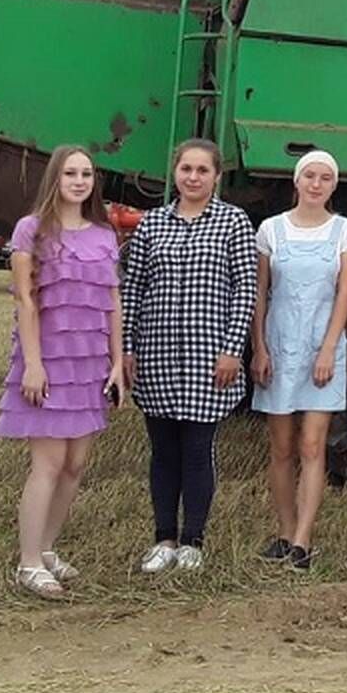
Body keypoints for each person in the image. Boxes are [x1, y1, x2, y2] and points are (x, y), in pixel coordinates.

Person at [0, 145, 125, 598]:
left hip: (89, 363)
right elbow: (25, 300)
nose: (79, 180)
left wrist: (118, 362)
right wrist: (33, 364)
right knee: (47, 464)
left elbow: (112, 303)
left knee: (76, 464)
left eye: (86, 173)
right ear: (56, 178)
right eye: (70, 173)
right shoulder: (31, 230)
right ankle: (28, 563)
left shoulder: (105, 235)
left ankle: (47, 548)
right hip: (48, 361)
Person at [121, 138, 257, 573]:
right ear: (175, 173)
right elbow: (134, 288)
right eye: (186, 169)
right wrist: (128, 347)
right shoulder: (152, 224)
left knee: (198, 450)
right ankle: (163, 537)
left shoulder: (234, 222)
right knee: (162, 451)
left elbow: (245, 290)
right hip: (158, 353)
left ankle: (193, 540)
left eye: (203, 170)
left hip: (209, 356)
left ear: (217, 176)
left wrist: (233, 349)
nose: (193, 177)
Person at [249, 149, 347, 572]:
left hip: (321, 348)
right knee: (281, 448)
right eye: (309, 176)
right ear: (296, 182)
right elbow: (261, 294)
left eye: (325, 178)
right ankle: (283, 529)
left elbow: (345, 294)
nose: (316, 184)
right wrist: (259, 346)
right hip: (279, 345)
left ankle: (303, 540)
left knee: (313, 444)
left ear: (334, 186)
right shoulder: (271, 230)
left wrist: (331, 347)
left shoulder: (345, 232)